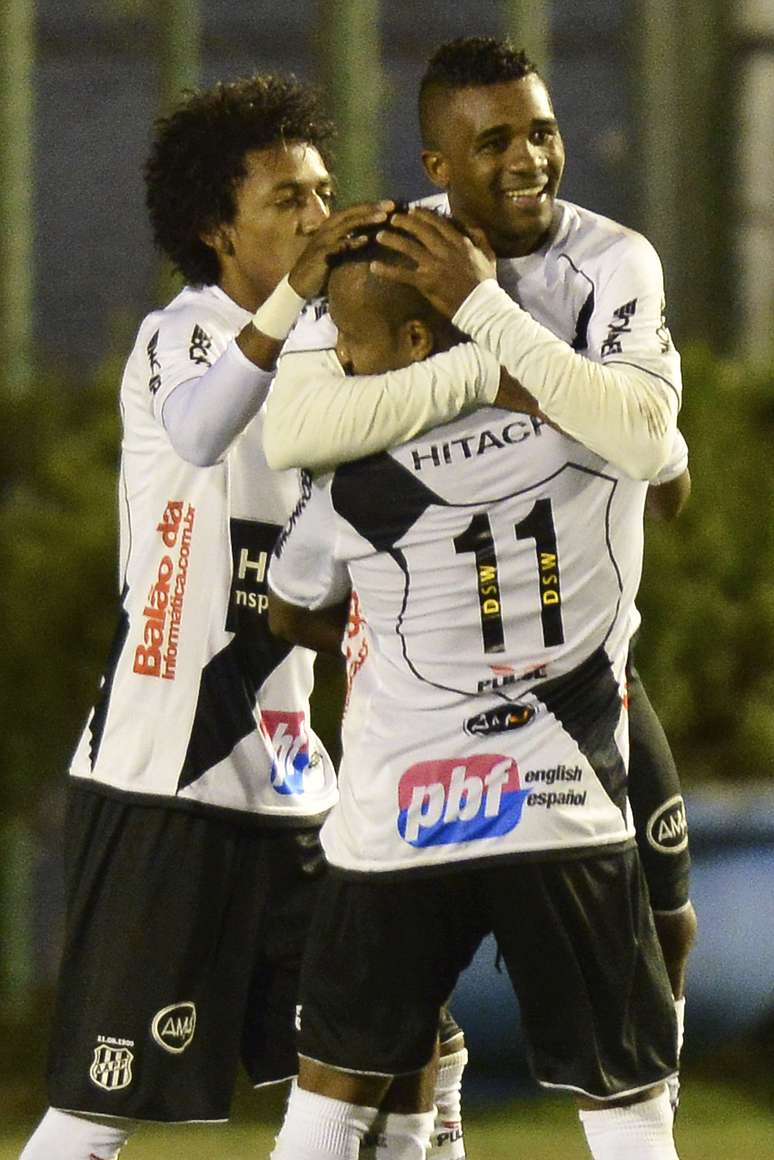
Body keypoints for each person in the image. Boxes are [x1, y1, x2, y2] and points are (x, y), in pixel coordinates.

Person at [263, 32, 696, 1121]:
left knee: (675, 909)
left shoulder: (616, 258)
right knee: (397, 1053)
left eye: (543, 130)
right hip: (512, 696)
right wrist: (498, 379)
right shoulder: (386, 257)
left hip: (586, 669)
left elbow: (652, 447)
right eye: (493, 139)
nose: (529, 158)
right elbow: (299, 421)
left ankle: (632, 1060)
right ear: (436, 164)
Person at [18, 74, 403, 1160]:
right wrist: (297, 306)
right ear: (213, 226)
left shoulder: (334, 356)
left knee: (379, 1067)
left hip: (295, 782)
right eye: (287, 198)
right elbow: (198, 434)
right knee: (98, 1112)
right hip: (164, 773)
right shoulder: (180, 335)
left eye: (324, 190)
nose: (318, 216)